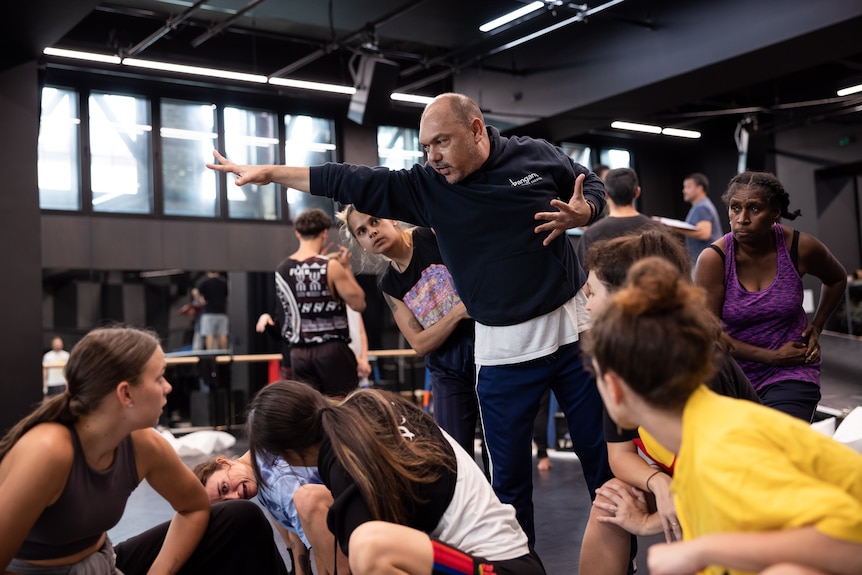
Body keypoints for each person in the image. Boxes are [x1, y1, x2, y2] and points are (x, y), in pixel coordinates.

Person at [206, 91, 611, 546]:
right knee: (509, 487)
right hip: (503, 351)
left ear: (476, 130)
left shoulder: (534, 154)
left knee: (603, 464)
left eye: (441, 142)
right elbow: (349, 179)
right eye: (424, 148)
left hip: (571, 332)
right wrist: (270, 174)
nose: (432, 156)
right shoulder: (427, 188)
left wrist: (586, 210)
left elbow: (589, 183)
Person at [584, 256, 862, 575]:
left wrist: (701, 550)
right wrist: (647, 524)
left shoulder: (721, 448)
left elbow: (849, 546)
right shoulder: (702, 440)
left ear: (615, 390)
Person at [0, 325, 288, 575]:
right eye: (159, 378)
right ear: (126, 393)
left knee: (239, 519)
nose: (168, 387)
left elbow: (194, 506)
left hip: (102, 563)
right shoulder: (49, 451)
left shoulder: (142, 444)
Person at [577, 228, 759, 575]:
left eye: (593, 292)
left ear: (625, 299)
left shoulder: (702, 375)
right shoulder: (630, 360)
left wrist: (647, 523)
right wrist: (659, 484)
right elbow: (619, 455)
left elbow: (730, 488)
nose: (586, 303)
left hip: (740, 505)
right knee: (612, 499)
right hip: (708, 485)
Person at [246, 380, 545, 575]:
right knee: (328, 510)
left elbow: (358, 562)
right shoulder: (367, 404)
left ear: (285, 455)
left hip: (497, 570)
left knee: (369, 547)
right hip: (516, 562)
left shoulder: (345, 460)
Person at [695, 171, 847, 421]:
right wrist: (771, 356)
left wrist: (817, 326)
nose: (742, 219)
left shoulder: (800, 247)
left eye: (754, 209)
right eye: (735, 208)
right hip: (734, 375)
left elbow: (837, 278)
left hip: (793, 372)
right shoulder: (715, 259)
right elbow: (710, 335)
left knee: (780, 448)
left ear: (774, 212)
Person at [338, 206, 479, 456]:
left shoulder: (431, 235)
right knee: (456, 453)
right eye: (362, 231)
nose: (371, 232)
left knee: (498, 446)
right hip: (446, 369)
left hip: (484, 347)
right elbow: (420, 344)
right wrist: (457, 312)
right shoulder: (389, 284)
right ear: (360, 242)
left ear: (391, 218)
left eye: (374, 221)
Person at [255, 208, 366, 398]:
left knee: (309, 409)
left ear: (298, 233)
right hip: (331, 350)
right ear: (324, 233)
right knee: (342, 407)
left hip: (298, 353)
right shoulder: (329, 266)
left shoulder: (282, 269)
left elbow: (285, 315)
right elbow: (359, 304)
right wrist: (346, 269)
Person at [194, 452, 319, 575]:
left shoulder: (277, 482)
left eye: (224, 487)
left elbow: (324, 546)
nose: (236, 496)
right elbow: (293, 527)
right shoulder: (257, 466)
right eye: (228, 502)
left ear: (223, 462)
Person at [575, 166, 663, 269]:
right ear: (637, 192)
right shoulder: (657, 229)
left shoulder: (592, 234)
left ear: (606, 194)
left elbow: (582, 278)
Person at [669, 172, 723, 267]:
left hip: (706, 263)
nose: (684, 191)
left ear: (700, 188)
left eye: (688, 187)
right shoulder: (701, 205)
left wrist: (674, 228)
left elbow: (704, 234)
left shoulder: (701, 207)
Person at [192, 271, 230, 350]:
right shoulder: (223, 281)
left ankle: (211, 355)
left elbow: (195, 291)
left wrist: (200, 300)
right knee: (223, 334)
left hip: (208, 312)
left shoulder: (205, 281)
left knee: (209, 335)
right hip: (222, 312)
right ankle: (224, 355)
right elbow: (227, 295)